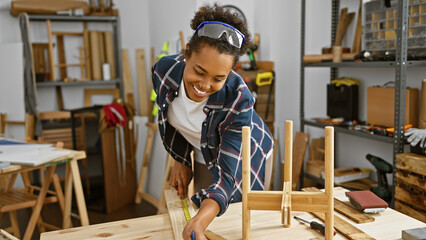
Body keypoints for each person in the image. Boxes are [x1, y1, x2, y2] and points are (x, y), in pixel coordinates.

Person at [151, 3, 274, 240]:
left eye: (219, 78)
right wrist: (180, 158)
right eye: (199, 71)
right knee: (203, 210)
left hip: (245, 153)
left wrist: (199, 221)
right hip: (203, 146)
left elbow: (228, 178)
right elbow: (173, 120)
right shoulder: (163, 71)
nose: (204, 85)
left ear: (230, 72)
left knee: (232, 222)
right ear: (187, 53)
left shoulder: (238, 97)